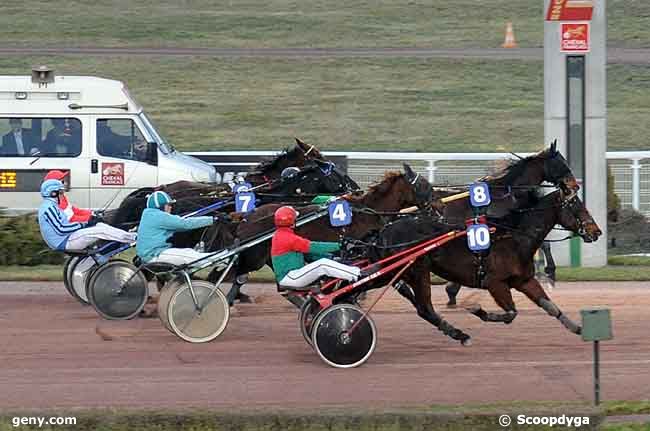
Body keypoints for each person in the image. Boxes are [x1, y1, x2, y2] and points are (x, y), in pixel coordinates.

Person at [271, 206, 369, 290]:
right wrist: (340, 245)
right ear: (292, 222)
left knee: (323, 262)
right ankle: (358, 274)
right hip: (290, 277)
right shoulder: (287, 238)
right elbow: (314, 247)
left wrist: (331, 258)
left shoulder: (281, 235)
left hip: (291, 276)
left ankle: (353, 272)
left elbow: (309, 254)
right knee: (322, 264)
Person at [38, 179, 136, 251]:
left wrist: (87, 221)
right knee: (100, 231)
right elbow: (61, 229)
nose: (63, 194)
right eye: (60, 192)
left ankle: (129, 236)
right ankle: (133, 238)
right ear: (53, 193)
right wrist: (84, 223)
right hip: (64, 241)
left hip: (67, 237)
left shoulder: (52, 206)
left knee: (100, 226)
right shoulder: (49, 208)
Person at [136, 191, 215, 266]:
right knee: (195, 258)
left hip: (152, 253)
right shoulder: (158, 216)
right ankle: (224, 258)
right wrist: (212, 219)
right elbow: (185, 224)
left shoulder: (149, 214)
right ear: (160, 206)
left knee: (189, 251)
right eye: (168, 205)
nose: (171, 207)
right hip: (155, 255)